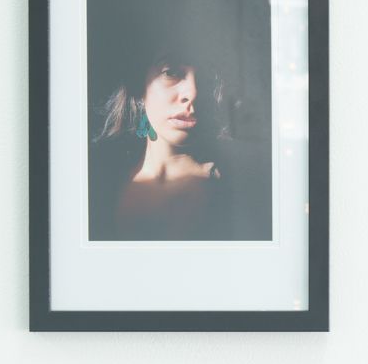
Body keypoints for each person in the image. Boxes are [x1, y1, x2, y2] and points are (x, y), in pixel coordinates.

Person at [88, 41, 271, 242]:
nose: (192, 93)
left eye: (207, 78)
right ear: (139, 85)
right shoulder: (97, 183)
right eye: (171, 72)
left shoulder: (239, 185)